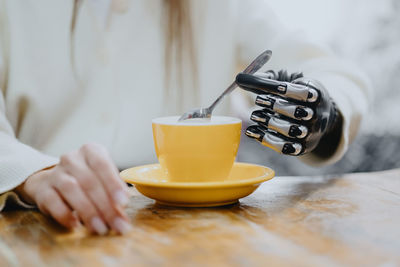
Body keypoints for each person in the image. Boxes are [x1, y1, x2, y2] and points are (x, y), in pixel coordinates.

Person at [0, 0, 371, 235]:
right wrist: (34, 172)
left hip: (203, 234)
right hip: (43, 228)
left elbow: (329, 67)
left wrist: (326, 111)